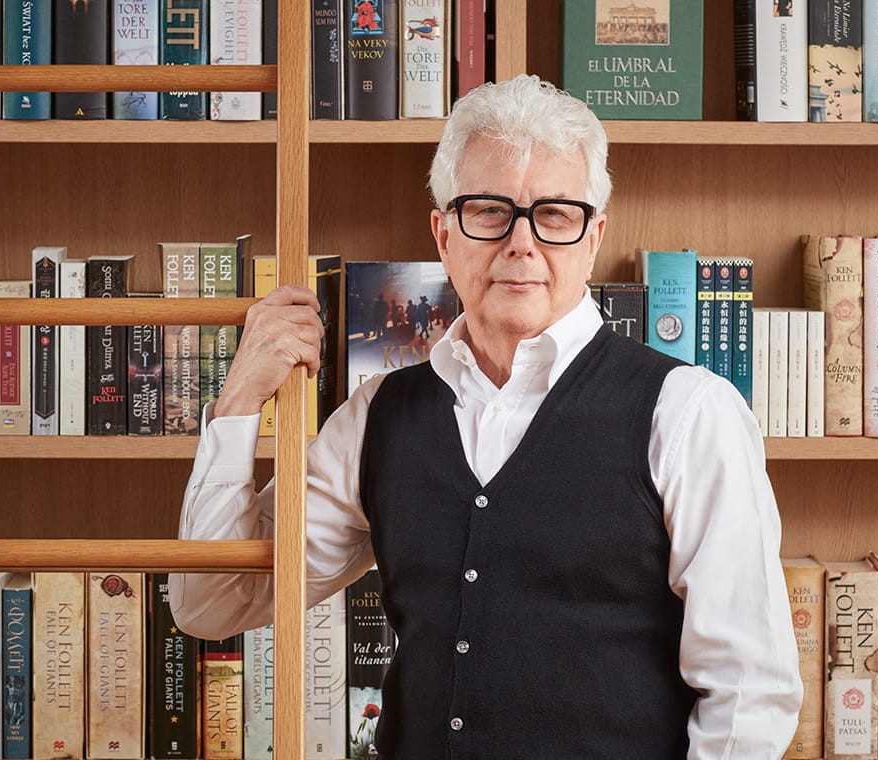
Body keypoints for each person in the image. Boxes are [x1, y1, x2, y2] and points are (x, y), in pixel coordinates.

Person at [171, 74, 800, 759]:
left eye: (555, 214)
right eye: (490, 212)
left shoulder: (688, 413)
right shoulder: (376, 417)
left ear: (592, 239)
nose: (521, 245)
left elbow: (749, 696)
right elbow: (210, 604)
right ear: (444, 235)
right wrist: (237, 402)